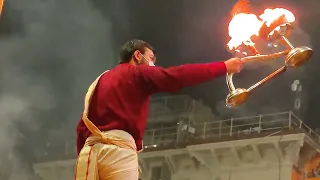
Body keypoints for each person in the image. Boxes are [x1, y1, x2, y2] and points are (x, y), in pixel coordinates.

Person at [74, 39, 244, 180]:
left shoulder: (99, 81)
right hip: (118, 152)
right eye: (151, 58)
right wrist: (223, 67)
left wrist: (86, 153)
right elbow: (176, 76)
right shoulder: (136, 73)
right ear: (137, 55)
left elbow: (82, 127)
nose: (153, 64)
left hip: (89, 155)